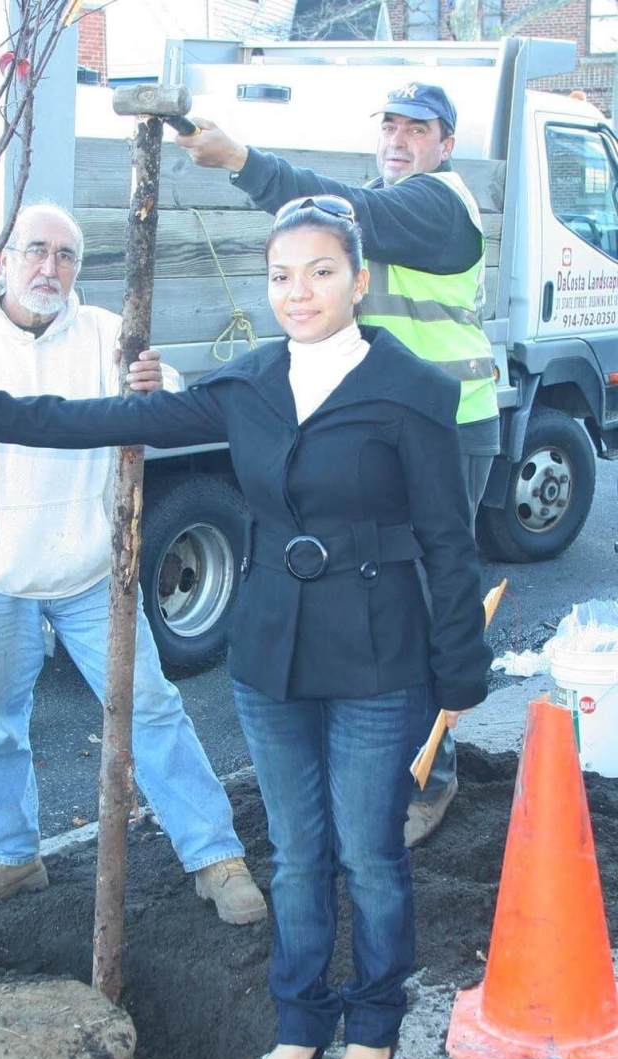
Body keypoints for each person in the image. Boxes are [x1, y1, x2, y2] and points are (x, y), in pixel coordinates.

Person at [0, 197, 490, 1059]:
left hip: (377, 653)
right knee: (294, 844)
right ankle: (299, 1020)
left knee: (368, 851)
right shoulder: (248, 384)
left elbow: (448, 540)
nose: (299, 292)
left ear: (358, 282)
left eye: (321, 272)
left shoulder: (412, 391)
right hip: (272, 654)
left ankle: (374, 1021)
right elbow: (114, 417)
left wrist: (459, 665)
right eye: (281, 276)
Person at [176, 82, 497, 846]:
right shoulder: (393, 213)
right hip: (380, 429)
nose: (399, 139)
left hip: (444, 424)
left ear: (446, 144)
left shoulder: (438, 205)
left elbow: (345, 211)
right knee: (377, 598)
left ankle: (427, 777)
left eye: (418, 129)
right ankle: (370, 768)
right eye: (388, 124)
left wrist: (242, 160)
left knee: (419, 600)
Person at [0, 203, 266, 926]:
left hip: (91, 573)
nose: (49, 268)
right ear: (3, 259)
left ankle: (215, 856)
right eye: (36, 251)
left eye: (64, 256)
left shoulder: (106, 337)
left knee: (150, 707)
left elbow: (173, 404)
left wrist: (158, 385)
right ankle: (11, 856)